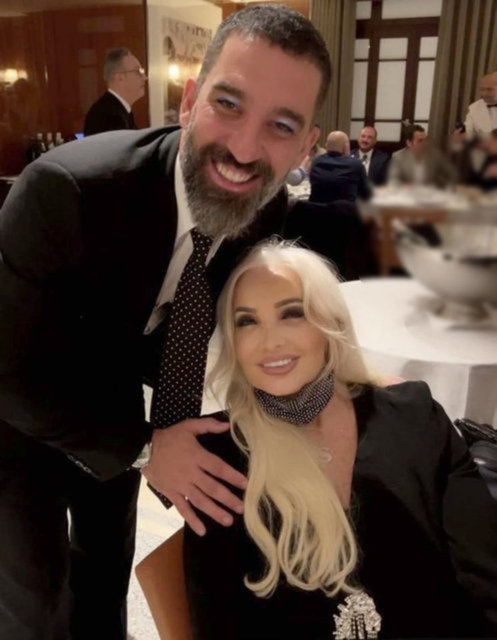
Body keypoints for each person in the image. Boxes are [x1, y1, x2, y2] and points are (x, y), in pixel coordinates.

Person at [0, 5, 328, 639]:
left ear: (306, 146)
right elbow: (6, 369)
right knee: (32, 600)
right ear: (189, 100)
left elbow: (218, 325)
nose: (243, 149)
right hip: (16, 415)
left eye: (281, 125)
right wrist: (148, 448)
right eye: (228, 104)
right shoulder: (65, 191)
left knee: (104, 575)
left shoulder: (263, 207)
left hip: (115, 398)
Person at [184, 240, 497, 640]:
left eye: (292, 314)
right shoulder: (214, 460)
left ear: (329, 323)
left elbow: (483, 577)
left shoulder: (415, 416)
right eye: (247, 321)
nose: (270, 341)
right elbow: (218, 623)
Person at [83, 47, 147, 136]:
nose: (145, 77)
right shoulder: (108, 115)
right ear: (120, 77)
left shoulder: (119, 110)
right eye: (137, 71)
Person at [310, 130, 371, 203]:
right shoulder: (355, 165)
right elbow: (366, 194)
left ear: (326, 145)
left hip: (316, 208)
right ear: (346, 146)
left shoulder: (316, 162)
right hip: (343, 209)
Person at [388, 124, 456, 188]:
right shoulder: (398, 157)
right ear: (409, 143)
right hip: (407, 193)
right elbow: (393, 181)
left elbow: (450, 176)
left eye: (425, 140)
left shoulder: (434, 155)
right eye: (420, 141)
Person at [464, 72, 497, 141]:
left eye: (489, 89)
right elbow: (468, 134)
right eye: (482, 89)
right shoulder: (474, 108)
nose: (484, 94)